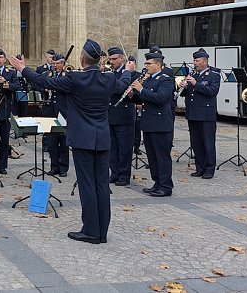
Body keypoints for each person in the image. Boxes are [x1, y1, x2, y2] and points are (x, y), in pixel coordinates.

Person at [12, 40, 129, 244]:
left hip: (82, 139)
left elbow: (44, 82)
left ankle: (91, 230)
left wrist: (23, 69)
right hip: (101, 137)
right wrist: (128, 70)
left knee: (87, 185)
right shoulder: (109, 79)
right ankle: (102, 231)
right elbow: (124, 84)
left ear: (82, 59)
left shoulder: (75, 79)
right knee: (101, 184)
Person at [129, 50, 175, 198]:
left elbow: (161, 98)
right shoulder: (148, 79)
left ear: (158, 65)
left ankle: (166, 186)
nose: (146, 65)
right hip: (149, 123)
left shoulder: (165, 79)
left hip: (161, 124)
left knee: (162, 156)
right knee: (152, 156)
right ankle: (157, 182)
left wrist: (141, 90)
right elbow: (142, 99)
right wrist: (132, 94)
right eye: (146, 63)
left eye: (149, 63)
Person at [180, 48, 220, 179]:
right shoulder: (194, 75)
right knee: (196, 143)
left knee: (207, 142)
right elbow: (188, 94)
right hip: (193, 113)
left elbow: (212, 91)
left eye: (197, 61)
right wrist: (183, 87)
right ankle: (199, 167)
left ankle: (209, 169)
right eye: (194, 61)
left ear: (204, 61)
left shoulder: (214, 75)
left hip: (206, 114)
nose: (195, 63)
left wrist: (196, 84)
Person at [106, 47, 137, 186]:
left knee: (124, 148)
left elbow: (131, 93)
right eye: (110, 59)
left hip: (124, 116)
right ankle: (115, 172)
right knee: (112, 147)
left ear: (122, 59)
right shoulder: (109, 74)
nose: (111, 62)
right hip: (111, 114)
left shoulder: (132, 74)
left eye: (114, 59)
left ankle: (124, 175)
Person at [42, 54, 70, 177]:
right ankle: (54, 166)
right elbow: (40, 85)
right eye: (53, 63)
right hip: (50, 111)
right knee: (51, 141)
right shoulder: (48, 75)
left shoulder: (67, 76)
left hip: (63, 111)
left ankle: (63, 167)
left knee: (63, 141)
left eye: (58, 63)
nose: (55, 66)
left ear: (63, 64)